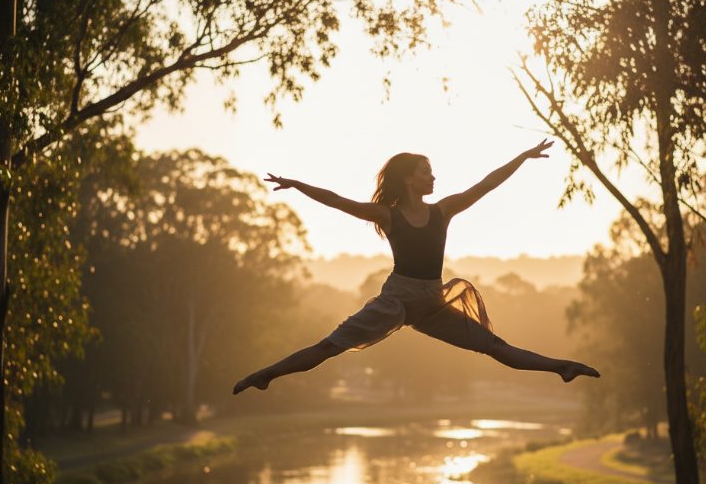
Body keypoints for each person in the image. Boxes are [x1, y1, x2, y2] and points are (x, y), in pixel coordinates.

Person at [232, 139, 600, 395]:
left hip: (432, 303)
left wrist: (522, 157)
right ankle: (268, 374)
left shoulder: (443, 210)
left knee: (494, 346)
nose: (433, 177)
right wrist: (296, 184)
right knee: (330, 346)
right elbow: (335, 200)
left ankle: (561, 367)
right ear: (409, 178)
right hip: (396, 300)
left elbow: (486, 185)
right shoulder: (388, 215)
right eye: (426, 172)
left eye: (432, 172)